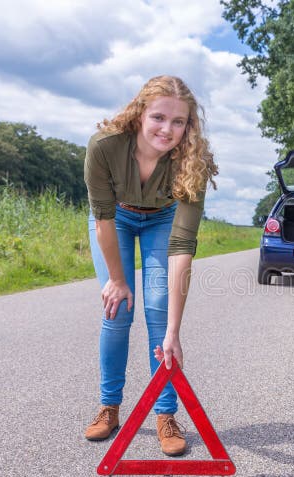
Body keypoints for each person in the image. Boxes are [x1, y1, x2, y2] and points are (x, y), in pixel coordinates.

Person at [82, 75, 217, 456]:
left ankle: (165, 414)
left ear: (189, 125)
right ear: (140, 112)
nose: (168, 130)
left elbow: (183, 244)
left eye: (179, 122)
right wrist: (118, 281)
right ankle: (109, 407)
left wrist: (175, 329)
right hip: (116, 219)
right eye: (159, 117)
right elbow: (104, 218)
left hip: (163, 220)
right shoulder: (105, 146)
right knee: (117, 309)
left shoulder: (195, 161)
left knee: (160, 314)